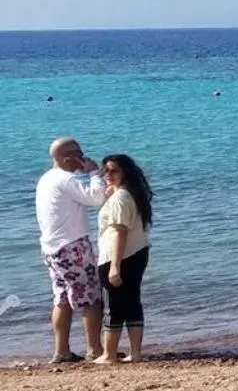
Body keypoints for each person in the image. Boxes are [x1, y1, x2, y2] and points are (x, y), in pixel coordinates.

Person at [35, 137, 107, 364]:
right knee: (91, 298)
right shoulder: (66, 179)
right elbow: (97, 198)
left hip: (51, 247)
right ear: (67, 157)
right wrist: (94, 173)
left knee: (62, 299)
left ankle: (62, 350)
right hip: (71, 245)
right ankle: (95, 349)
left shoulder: (46, 179)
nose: (83, 155)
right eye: (79, 152)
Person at [95, 154, 154, 364]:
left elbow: (120, 232)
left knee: (113, 306)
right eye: (106, 171)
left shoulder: (121, 198)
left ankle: (109, 354)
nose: (108, 175)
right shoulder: (130, 194)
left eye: (114, 171)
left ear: (125, 173)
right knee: (132, 304)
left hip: (120, 256)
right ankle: (135, 353)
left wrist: (114, 267)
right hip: (137, 253)